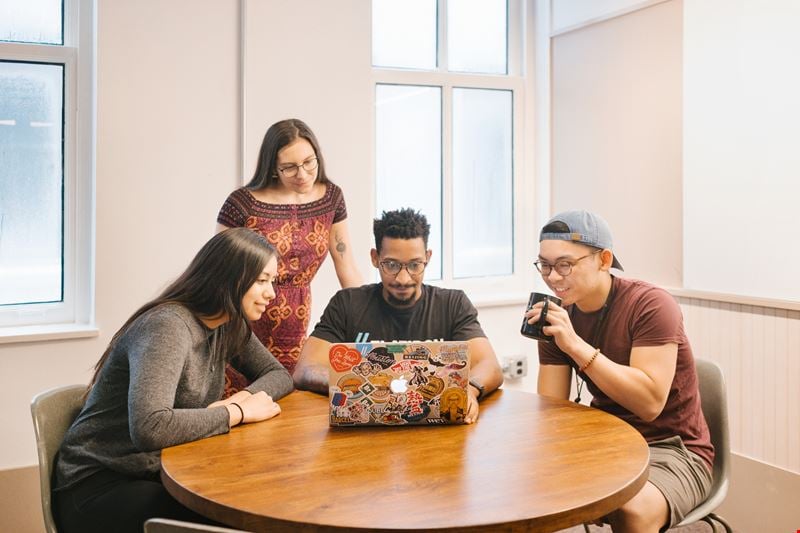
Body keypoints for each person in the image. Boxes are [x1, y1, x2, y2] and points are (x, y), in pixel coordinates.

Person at [52, 228, 294, 533]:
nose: (271, 293)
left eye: (271, 281)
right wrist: (236, 413)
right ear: (227, 278)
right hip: (99, 484)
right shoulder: (167, 327)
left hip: (155, 471)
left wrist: (240, 399)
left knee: (258, 497)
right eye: (261, 280)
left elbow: (279, 375)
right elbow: (150, 428)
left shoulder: (226, 324)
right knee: (234, 518)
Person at [527, 210, 714, 532]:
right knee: (515, 487)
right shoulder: (557, 317)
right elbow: (552, 410)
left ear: (604, 259)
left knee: (631, 512)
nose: (553, 277)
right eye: (544, 265)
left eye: (565, 265)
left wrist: (574, 344)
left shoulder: (651, 304)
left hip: (672, 448)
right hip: (606, 442)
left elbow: (649, 403)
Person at [293, 208, 503, 423]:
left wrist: (471, 389)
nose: (403, 278)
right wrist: (357, 382)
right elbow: (305, 369)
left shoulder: (452, 304)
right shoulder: (347, 304)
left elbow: (490, 365)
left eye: (414, 265)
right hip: (362, 433)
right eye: (391, 265)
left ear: (427, 258)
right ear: (375, 258)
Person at [217, 118, 362, 385]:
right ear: (273, 167)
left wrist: (367, 321)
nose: (303, 174)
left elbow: (347, 266)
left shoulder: (331, 198)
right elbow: (219, 272)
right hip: (245, 316)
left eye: (309, 162)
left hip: (297, 318)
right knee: (240, 393)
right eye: (290, 167)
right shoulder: (242, 203)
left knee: (289, 394)